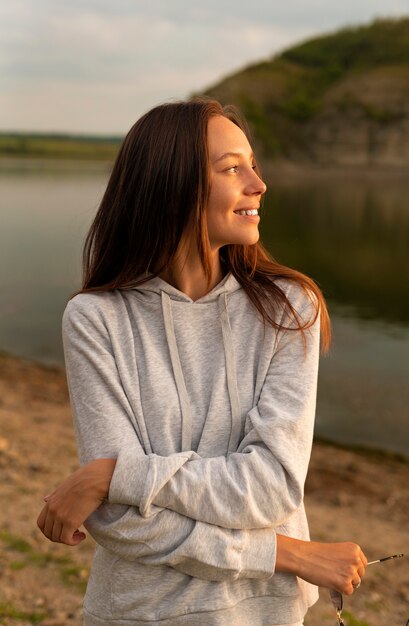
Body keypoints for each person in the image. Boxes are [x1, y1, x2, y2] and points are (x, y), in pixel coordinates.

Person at [37, 98, 367, 626]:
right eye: (232, 168)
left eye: (252, 165)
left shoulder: (287, 309)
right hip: (137, 612)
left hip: (264, 614)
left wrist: (114, 474)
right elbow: (120, 521)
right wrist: (286, 553)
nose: (258, 184)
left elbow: (271, 487)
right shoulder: (95, 318)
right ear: (173, 185)